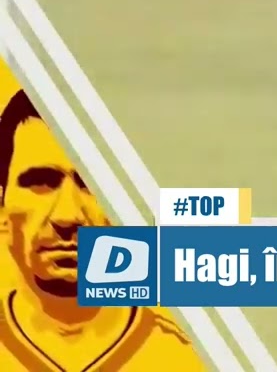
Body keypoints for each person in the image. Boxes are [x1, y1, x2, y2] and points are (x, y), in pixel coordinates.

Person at [0, 90, 205, 370]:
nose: (67, 215)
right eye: (41, 182)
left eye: (94, 185)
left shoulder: (186, 359)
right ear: (3, 206)